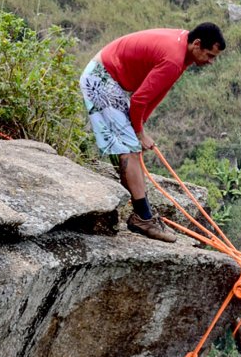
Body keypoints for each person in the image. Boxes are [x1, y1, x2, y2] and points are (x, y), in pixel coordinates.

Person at [80, 23, 226, 243]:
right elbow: (139, 100)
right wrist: (139, 133)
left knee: (130, 144)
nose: (211, 61)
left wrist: (139, 127)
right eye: (209, 54)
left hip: (109, 77)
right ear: (197, 44)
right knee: (129, 148)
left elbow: (156, 94)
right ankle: (143, 217)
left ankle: (140, 209)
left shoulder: (182, 52)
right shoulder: (173, 60)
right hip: (101, 78)